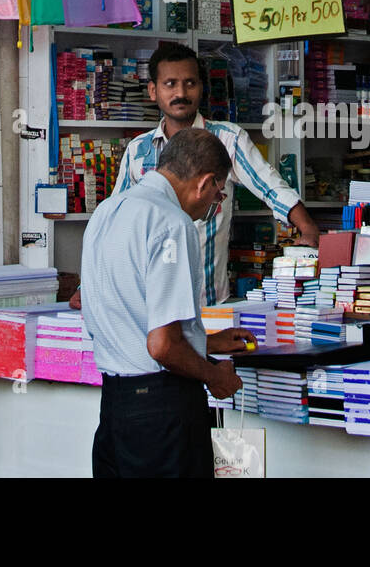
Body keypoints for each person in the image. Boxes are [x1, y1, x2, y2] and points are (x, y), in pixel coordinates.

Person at [82, 41, 320, 307]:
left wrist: (307, 227)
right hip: (149, 303)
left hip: (207, 303)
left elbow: (270, 186)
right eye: (170, 84)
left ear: (201, 88)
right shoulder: (139, 149)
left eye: (190, 83)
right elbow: (115, 220)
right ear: (153, 91)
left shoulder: (228, 139)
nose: (181, 93)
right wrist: (87, 285)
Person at [81, 127, 256, 478]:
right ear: (204, 183)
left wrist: (204, 341)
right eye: (217, 195)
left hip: (116, 405)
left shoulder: (106, 212)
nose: (213, 205)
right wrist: (213, 375)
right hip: (162, 408)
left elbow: (132, 321)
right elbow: (161, 347)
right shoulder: (172, 223)